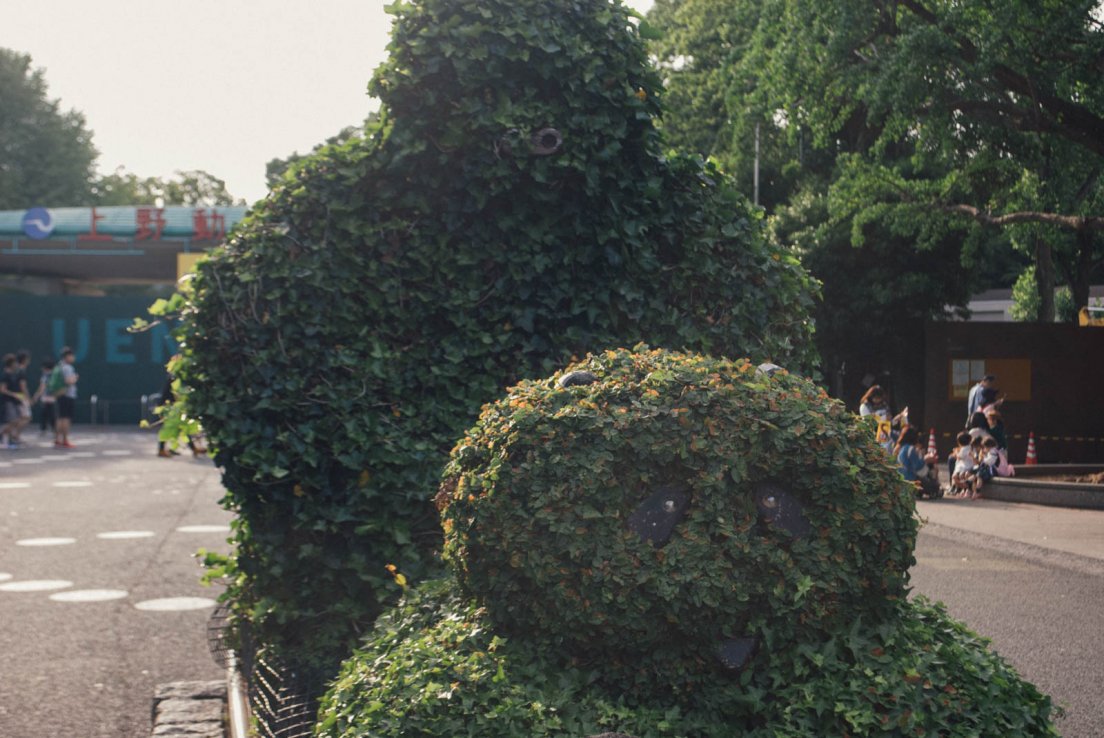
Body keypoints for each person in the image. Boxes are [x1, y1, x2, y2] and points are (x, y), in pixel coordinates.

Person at [895, 426, 941, 498]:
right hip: (910, 479)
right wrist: (926, 459)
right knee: (934, 486)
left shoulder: (900, 448)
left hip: (901, 479)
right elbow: (918, 467)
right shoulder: (910, 449)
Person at [859, 385, 907, 451]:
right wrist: (883, 418)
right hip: (871, 435)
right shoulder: (865, 406)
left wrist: (896, 419)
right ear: (871, 397)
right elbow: (869, 422)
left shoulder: (884, 405)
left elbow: (889, 423)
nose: (878, 401)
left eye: (879, 398)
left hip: (884, 435)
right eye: (876, 398)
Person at [0, 353, 28, 449]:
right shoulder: (5, 375)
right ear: (11, 363)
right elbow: (2, 389)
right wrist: (13, 394)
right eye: (15, 362)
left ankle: (9, 438)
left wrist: (19, 396)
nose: (17, 364)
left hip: (15, 401)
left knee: (17, 420)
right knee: (13, 420)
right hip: (8, 401)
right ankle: (8, 438)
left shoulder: (13, 374)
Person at [53, 347, 79, 449]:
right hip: (67, 395)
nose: (73, 357)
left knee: (60, 417)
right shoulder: (68, 368)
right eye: (72, 355)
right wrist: (75, 378)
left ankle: (57, 439)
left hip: (60, 395)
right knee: (66, 418)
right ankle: (65, 440)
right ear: (67, 356)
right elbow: (69, 381)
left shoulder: (59, 366)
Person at [950, 431, 979, 498]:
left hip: (965, 467)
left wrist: (956, 452)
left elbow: (959, 457)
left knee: (957, 477)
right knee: (959, 477)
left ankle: (966, 489)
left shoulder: (964, 449)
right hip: (968, 466)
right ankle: (964, 489)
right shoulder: (971, 447)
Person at [32, 358, 57, 435]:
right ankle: (54, 429)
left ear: (45, 367)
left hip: (46, 397)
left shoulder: (45, 375)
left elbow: (42, 387)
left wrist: (36, 396)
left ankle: (43, 429)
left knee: (44, 414)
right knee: (52, 414)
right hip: (54, 397)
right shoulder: (56, 374)